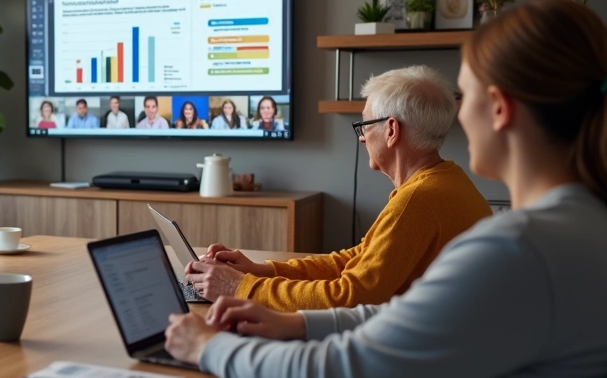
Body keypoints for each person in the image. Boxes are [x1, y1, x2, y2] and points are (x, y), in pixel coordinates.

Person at [132, 0, 607, 378]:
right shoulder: (579, 227)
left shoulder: (513, 249)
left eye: (464, 96)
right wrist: (296, 321)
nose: (458, 116)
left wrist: (210, 346)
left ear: (500, 108)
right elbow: (408, 309)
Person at [186, 66, 490, 310]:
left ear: (391, 130)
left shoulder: (418, 200)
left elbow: (348, 297)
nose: (362, 138)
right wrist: (261, 271)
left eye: (364, 126)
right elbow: (357, 260)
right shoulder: (446, 180)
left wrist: (238, 288)